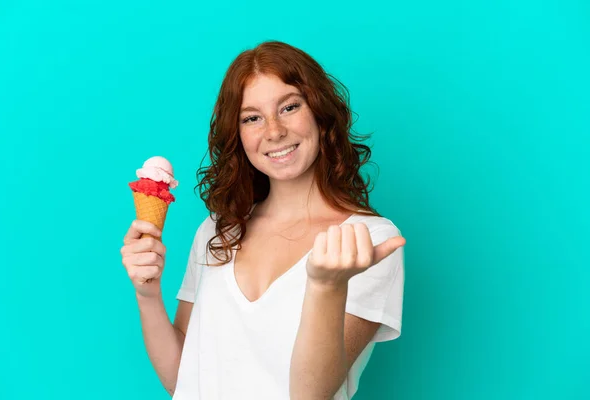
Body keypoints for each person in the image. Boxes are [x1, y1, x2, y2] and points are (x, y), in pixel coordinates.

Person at [120, 40, 406, 400]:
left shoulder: (367, 242)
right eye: (251, 117)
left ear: (319, 112)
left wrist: (326, 286)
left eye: (289, 107)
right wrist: (147, 293)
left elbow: (311, 394)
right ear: (237, 135)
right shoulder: (217, 231)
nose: (273, 131)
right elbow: (182, 377)